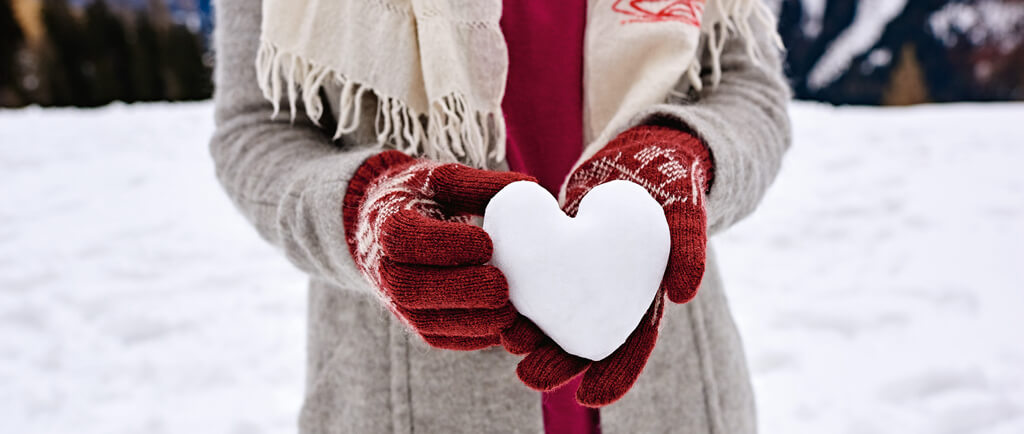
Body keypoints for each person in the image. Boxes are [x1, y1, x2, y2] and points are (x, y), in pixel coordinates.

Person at [210, 0, 791, 432]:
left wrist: (683, 151)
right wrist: (360, 206)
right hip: (401, 405)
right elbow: (254, 131)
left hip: (676, 394)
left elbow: (750, 88)